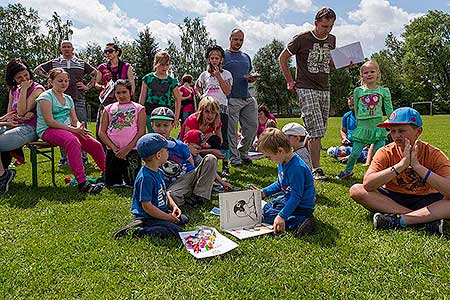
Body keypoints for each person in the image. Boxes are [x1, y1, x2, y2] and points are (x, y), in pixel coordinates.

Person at [350, 107, 450, 235]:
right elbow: (368, 184)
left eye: (401, 130)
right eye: (392, 131)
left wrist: (418, 167)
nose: (396, 135)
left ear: (418, 131)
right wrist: (400, 166)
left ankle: (402, 220)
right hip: (393, 198)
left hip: (427, 199)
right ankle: (421, 219)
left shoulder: (434, 154)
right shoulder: (385, 152)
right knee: (356, 190)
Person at [278, 7, 336, 180]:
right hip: (305, 86)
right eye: (325, 26)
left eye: (331, 26)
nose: (328, 30)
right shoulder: (302, 39)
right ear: (316, 23)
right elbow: (282, 58)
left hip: (324, 88)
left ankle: (298, 159)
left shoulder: (332, 39)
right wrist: (289, 80)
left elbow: (330, 63)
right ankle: (316, 169)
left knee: (317, 130)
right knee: (316, 130)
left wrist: (345, 62)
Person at [35, 68, 105, 194]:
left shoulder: (68, 98)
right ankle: (82, 183)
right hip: (47, 130)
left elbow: (74, 120)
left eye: (66, 81)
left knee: (94, 144)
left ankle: (109, 175)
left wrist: (79, 127)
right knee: (72, 141)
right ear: (51, 81)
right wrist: (74, 130)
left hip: (67, 129)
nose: (64, 83)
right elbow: (50, 122)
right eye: (60, 81)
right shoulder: (45, 97)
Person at [113, 133, 189, 239]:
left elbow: (165, 192)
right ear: (158, 155)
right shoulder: (146, 177)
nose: (168, 152)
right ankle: (138, 231)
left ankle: (162, 222)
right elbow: (147, 207)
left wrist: (174, 206)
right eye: (166, 150)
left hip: (160, 211)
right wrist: (167, 217)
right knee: (174, 231)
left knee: (183, 219)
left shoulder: (158, 170)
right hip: (148, 216)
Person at [34, 40, 97, 166]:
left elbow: (96, 73)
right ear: (60, 49)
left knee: (80, 126)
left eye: (69, 46)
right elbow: (37, 69)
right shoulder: (55, 62)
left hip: (77, 98)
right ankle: (65, 158)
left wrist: (88, 86)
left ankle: (83, 158)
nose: (66, 49)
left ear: (73, 49)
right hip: (57, 100)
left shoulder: (80, 63)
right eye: (64, 47)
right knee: (61, 128)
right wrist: (50, 78)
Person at [150, 107, 222, 207]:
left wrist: (221, 181)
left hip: (186, 177)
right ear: (152, 125)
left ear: (172, 125)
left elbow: (192, 164)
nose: (162, 129)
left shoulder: (180, 145)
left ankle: (199, 196)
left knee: (211, 158)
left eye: (166, 125)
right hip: (171, 185)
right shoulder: (149, 146)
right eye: (158, 125)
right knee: (170, 198)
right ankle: (187, 197)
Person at [336, 60, 393, 179]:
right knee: (355, 152)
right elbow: (356, 109)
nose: (369, 74)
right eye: (366, 72)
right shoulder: (358, 91)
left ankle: (379, 175)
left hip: (378, 127)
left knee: (379, 154)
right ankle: (348, 171)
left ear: (378, 73)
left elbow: (389, 109)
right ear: (362, 76)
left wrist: (393, 122)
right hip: (362, 127)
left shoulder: (383, 91)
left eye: (372, 71)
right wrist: (359, 121)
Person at [256, 128, 316, 236]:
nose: (269, 159)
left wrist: (281, 216)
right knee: (266, 208)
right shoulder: (282, 160)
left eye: (269, 157)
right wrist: (264, 192)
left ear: (280, 150)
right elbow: (280, 183)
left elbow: (296, 197)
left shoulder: (296, 168)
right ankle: (293, 217)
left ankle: (301, 221)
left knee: (269, 216)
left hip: (302, 206)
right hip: (289, 198)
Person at [98, 80, 146, 188]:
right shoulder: (108, 109)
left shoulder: (139, 108)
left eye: (124, 92)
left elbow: (141, 131)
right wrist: (114, 148)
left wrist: (128, 148)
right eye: (118, 93)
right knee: (112, 183)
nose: (121, 95)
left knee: (133, 182)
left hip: (132, 151)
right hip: (113, 151)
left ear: (130, 92)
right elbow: (101, 132)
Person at [196, 45, 233, 176]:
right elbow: (197, 87)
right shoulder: (204, 75)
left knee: (222, 136)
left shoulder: (226, 74)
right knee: (202, 135)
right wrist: (201, 96)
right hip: (206, 108)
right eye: (212, 58)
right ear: (208, 59)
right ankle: (203, 162)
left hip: (221, 108)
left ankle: (225, 165)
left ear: (221, 59)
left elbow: (227, 91)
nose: (214, 60)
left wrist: (218, 76)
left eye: (217, 58)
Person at [223, 29, 258, 167]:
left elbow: (249, 76)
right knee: (231, 130)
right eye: (236, 39)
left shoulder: (246, 57)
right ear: (230, 38)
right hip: (231, 97)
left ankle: (243, 152)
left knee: (252, 127)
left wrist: (252, 78)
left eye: (241, 40)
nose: (238, 42)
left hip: (247, 97)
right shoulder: (223, 55)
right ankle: (234, 158)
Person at [0, 59, 44, 166]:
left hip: (30, 128)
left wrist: (23, 90)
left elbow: (21, 112)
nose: (24, 79)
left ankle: (3, 175)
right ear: (13, 79)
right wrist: (10, 122)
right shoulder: (13, 90)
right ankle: (4, 173)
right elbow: (10, 112)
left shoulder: (37, 89)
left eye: (26, 75)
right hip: (13, 125)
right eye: (19, 77)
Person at [95, 42, 135, 144]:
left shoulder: (126, 66)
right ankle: (104, 153)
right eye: (106, 51)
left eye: (110, 51)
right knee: (102, 128)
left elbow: (131, 83)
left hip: (123, 102)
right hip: (106, 102)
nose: (108, 53)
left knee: (122, 127)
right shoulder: (102, 67)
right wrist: (104, 87)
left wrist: (129, 98)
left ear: (117, 52)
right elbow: (96, 84)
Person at [138, 51, 181, 132]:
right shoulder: (147, 78)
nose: (164, 67)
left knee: (164, 135)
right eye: (162, 64)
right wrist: (140, 113)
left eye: (167, 65)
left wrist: (176, 117)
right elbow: (143, 96)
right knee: (152, 135)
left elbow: (178, 99)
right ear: (156, 64)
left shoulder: (172, 81)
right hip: (149, 111)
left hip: (165, 112)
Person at [179, 96, 225, 162]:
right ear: (201, 111)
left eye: (213, 112)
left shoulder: (216, 121)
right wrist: (211, 151)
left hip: (201, 146)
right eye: (207, 112)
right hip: (186, 147)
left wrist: (208, 140)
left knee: (216, 139)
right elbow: (187, 146)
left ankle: (208, 163)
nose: (210, 115)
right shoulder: (192, 120)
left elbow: (220, 141)